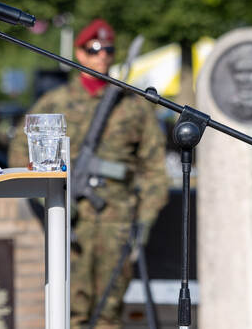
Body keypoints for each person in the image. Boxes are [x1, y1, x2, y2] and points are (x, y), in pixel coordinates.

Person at [10, 18, 168, 329]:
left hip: (118, 222)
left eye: (108, 50)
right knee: (69, 312)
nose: (102, 56)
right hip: (70, 222)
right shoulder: (54, 103)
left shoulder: (133, 106)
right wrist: (49, 208)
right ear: (79, 54)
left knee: (109, 313)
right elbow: (21, 157)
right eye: (93, 49)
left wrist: (144, 221)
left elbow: (155, 171)